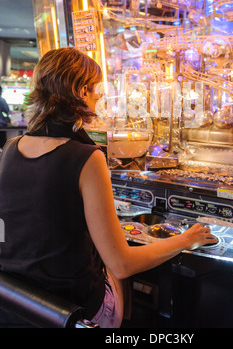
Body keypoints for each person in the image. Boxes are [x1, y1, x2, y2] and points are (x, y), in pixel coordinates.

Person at [0, 47, 217, 328]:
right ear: (80, 91)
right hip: (72, 313)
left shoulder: (10, 148)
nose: (100, 95)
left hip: (17, 305)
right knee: (119, 278)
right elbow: (122, 263)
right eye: (95, 88)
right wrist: (186, 239)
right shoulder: (87, 157)